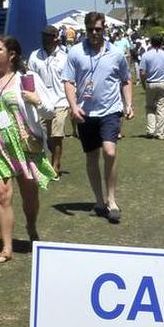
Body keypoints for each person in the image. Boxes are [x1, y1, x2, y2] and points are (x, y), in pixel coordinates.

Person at [0, 35, 57, 264]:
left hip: (25, 144)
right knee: (1, 195)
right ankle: (6, 247)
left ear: (12, 54)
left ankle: (31, 225)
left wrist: (37, 100)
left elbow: (49, 112)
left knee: (30, 195)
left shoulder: (27, 78)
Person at [62, 11, 134, 224]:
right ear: (86, 30)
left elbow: (126, 80)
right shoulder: (75, 53)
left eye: (99, 29)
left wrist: (128, 104)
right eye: (91, 29)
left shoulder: (116, 54)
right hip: (86, 112)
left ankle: (112, 199)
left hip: (110, 110)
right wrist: (73, 106)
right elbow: (68, 81)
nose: (95, 33)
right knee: (92, 156)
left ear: (105, 30)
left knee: (110, 152)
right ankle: (99, 201)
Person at [28, 25, 71, 173]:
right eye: (43, 35)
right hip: (41, 101)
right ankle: (47, 160)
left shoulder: (65, 58)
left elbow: (69, 81)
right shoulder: (35, 56)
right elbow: (30, 78)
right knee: (44, 137)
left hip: (60, 101)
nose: (44, 38)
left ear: (55, 38)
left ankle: (55, 166)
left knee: (57, 135)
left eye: (48, 36)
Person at [139, 34, 164, 139]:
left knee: (150, 107)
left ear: (151, 42)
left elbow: (142, 72)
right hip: (163, 82)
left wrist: (143, 83)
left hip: (150, 82)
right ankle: (160, 132)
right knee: (162, 108)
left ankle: (150, 130)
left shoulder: (146, 55)